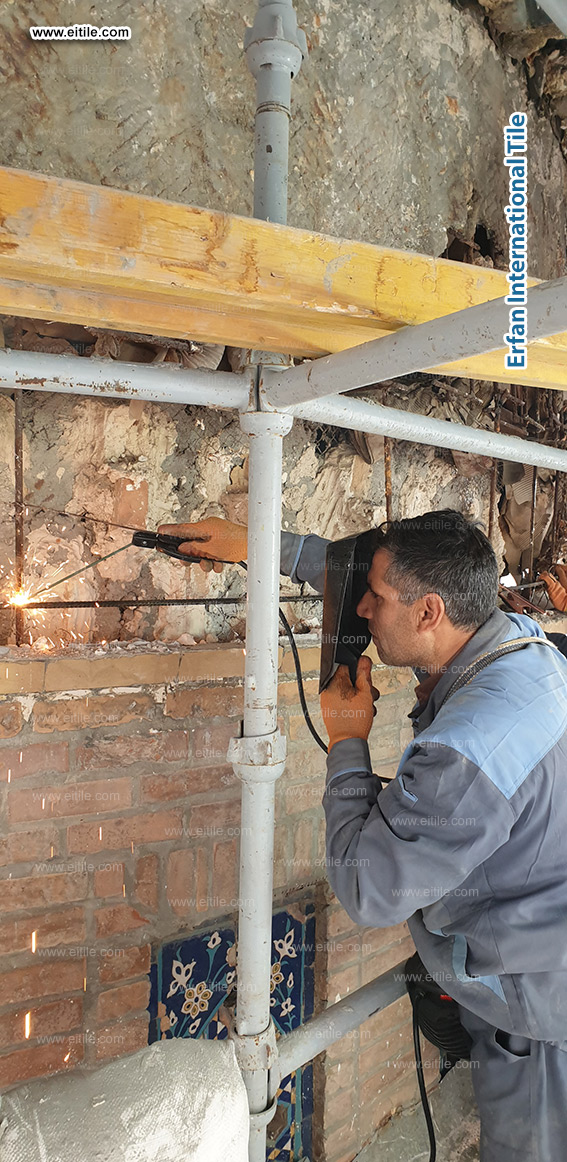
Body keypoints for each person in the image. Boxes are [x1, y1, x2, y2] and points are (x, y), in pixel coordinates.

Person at [159, 511, 567, 1162]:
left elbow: (369, 891)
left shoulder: (466, 752)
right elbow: (377, 579)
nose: (363, 608)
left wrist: (347, 742)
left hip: (540, 1020)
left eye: (376, 599)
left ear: (429, 611)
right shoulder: (517, 644)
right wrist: (264, 546)